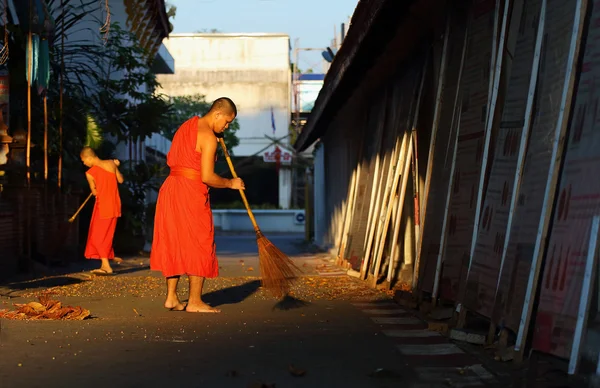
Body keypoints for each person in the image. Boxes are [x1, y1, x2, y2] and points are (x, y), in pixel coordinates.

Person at [150, 97, 245, 313]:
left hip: (170, 188)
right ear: (218, 113)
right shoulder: (209, 138)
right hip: (190, 192)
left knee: (174, 240)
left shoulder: (186, 125)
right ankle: (194, 301)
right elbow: (208, 176)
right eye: (227, 122)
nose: (227, 127)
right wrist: (231, 183)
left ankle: (172, 298)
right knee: (199, 242)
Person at [80, 147, 124, 275]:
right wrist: (116, 167)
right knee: (105, 235)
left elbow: (94, 192)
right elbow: (120, 180)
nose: (84, 163)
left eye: (83, 160)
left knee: (97, 236)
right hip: (115, 205)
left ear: (89, 157)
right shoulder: (111, 163)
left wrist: (96, 188)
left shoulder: (90, 173)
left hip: (103, 206)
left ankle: (106, 266)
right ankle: (105, 264)